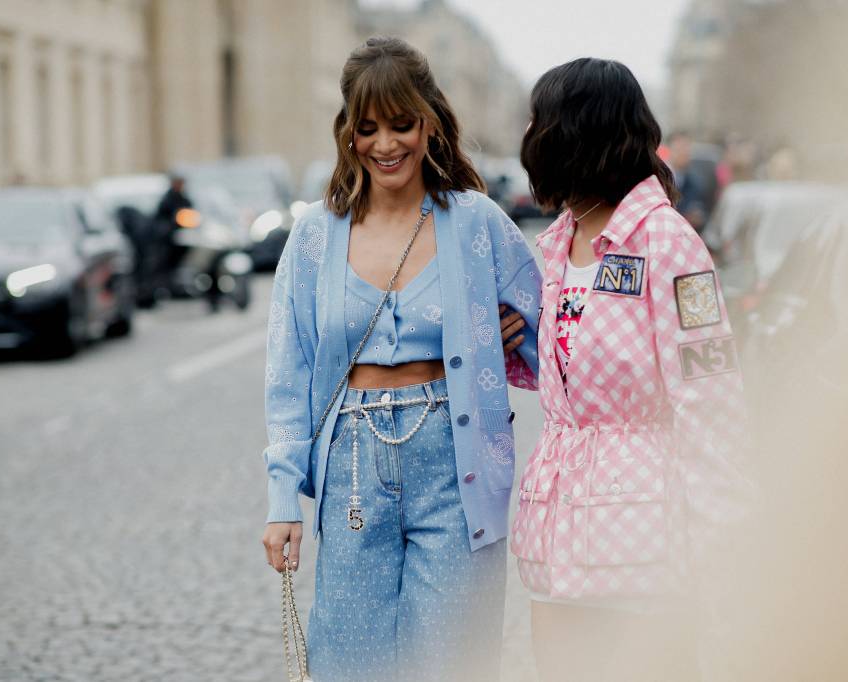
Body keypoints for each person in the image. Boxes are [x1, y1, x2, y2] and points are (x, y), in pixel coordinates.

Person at [260, 36, 541, 682]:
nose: (386, 145)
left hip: (454, 459)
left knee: (453, 662)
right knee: (351, 660)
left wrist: (504, 337)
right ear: (349, 134)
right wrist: (282, 500)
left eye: (402, 124)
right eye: (368, 128)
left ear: (429, 124)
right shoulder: (313, 237)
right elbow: (288, 375)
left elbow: (550, 328)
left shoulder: (476, 224)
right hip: (353, 467)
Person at [510, 58, 752, 681]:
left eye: (541, 119)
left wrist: (724, 541)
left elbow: (711, 390)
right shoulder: (558, 244)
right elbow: (570, 369)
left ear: (577, 130)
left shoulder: (668, 243)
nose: (529, 132)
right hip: (557, 543)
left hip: (645, 539)